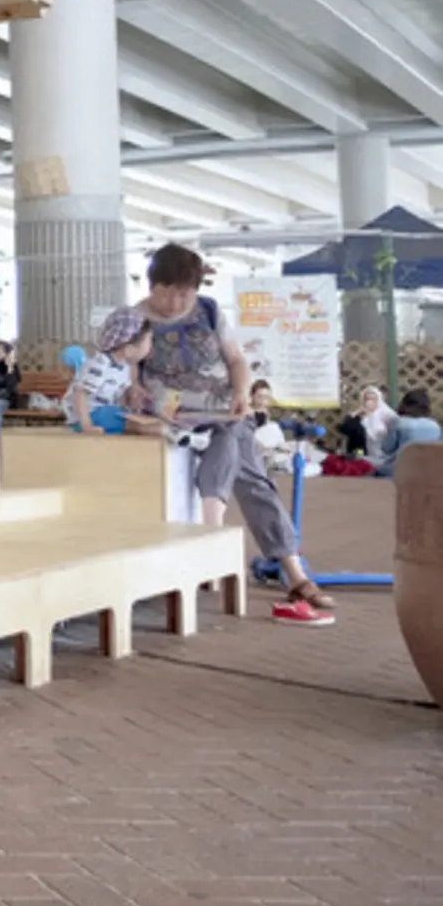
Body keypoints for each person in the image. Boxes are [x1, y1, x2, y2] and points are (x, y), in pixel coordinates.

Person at [132, 242, 334, 625]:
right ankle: (294, 573)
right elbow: (127, 373)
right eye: (167, 292)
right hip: (173, 418)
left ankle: (216, 539)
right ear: (151, 285)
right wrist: (136, 391)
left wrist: (241, 393)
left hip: (224, 410)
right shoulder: (134, 319)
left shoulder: (208, 310)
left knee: (231, 441)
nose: (176, 302)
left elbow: (237, 360)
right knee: (252, 476)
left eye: (184, 293)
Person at [66, 308, 162, 436]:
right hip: (90, 415)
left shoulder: (123, 366)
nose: (151, 346)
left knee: (136, 420)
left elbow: (118, 393)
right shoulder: (100, 364)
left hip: (106, 413)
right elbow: (80, 393)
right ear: (128, 348)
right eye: (149, 340)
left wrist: (133, 395)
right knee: (141, 427)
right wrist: (86, 425)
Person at [339, 386, 394, 459]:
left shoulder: (387, 414)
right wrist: (356, 414)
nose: (369, 402)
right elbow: (345, 429)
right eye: (367, 399)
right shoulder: (359, 416)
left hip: (381, 455)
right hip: (360, 453)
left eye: (373, 399)